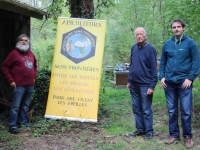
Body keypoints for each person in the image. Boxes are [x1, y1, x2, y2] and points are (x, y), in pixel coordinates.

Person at [159, 19, 200, 148]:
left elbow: (196, 62)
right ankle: (174, 135)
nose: (176, 29)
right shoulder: (167, 44)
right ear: (172, 29)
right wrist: (161, 77)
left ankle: (188, 137)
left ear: (183, 28)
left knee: (186, 111)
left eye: (178, 27)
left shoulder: (190, 44)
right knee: (172, 111)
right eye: (174, 27)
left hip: (184, 83)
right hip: (169, 83)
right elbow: (163, 63)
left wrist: (190, 78)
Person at [1, 34, 37, 134]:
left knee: (25, 105)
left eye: (26, 40)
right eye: (22, 40)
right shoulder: (13, 53)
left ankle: (23, 122)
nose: (24, 42)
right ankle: (12, 125)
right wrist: (11, 81)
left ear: (28, 42)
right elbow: (4, 67)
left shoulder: (30, 53)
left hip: (30, 85)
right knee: (15, 106)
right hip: (18, 85)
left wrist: (34, 77)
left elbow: (35, 66)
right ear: (18, 42)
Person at [127, 27, 157, 140]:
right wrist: (129, 80)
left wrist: (152, 85)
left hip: (145, 84)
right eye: (137, 34)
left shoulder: (150, 49)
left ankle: (149, 131)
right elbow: (132, 65)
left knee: (146, 109)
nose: (139, 36)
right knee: (136, 107)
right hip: (134, 84)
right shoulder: (134, 48)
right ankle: (140, 129)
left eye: (141, 34)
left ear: (145, 35)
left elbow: (154, 69)